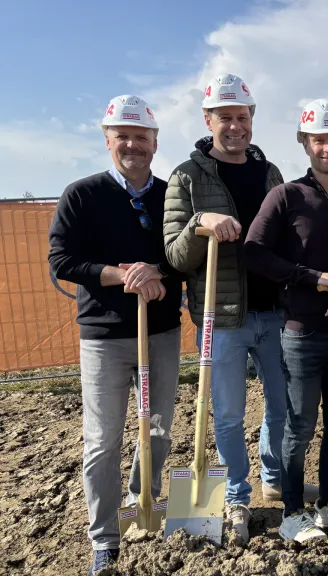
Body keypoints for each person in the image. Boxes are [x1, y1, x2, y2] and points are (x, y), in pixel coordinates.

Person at [162, 74, 317, 544]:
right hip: (222, 316)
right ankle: (235, 494)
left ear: (252, 119)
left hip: (274, 311)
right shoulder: (186, 177)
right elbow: (174, 255)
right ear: (208, 120)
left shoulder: (269, 173)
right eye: (225, 117)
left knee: (281, 408)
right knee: (226, 413)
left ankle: (272, 480)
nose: (234, 126)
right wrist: (198, 223)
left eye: (242, 117)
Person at [48, 96, 182, 575]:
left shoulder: (171, 195)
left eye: (141, 137)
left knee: (158, 431)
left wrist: (157, 269)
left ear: (154, 142)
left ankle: (138, 501)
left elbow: (184, 257)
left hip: (162, 333)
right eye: (122, 136)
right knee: (103, 441)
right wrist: (118, 273)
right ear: (107, 141)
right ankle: (104, 536)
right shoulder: (81, 195)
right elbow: (62, 261)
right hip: (104, 338)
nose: (132, 144)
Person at [244, 99, 328, 543]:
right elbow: (254, 252)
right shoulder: (286, 197)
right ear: (305, 142)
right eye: (319, 139)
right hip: (300, 332)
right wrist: (310, 277)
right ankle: (294, 512)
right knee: (299, 425)